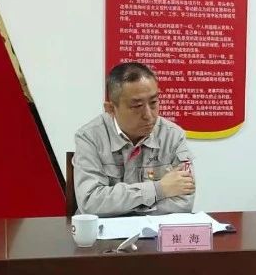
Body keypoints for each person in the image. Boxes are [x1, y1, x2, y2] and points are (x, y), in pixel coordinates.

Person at [72, 62, 194, 217]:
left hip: (154, 230)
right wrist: (158, 189)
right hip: (104, 231)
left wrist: (118, 206)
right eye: (137, 106)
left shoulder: (173, 136)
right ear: (110, 109)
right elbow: (90, 203)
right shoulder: (89, 137)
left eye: (153, 103)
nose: (149, 115)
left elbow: (184, 203)